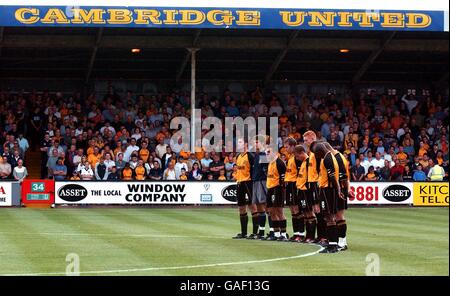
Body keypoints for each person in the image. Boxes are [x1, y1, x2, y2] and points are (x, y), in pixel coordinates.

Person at [311, 141, 341, 253]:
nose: (316, 156)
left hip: (328, 190)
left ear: (320, 151)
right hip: (328, 190)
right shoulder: (330, 157)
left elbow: (332, 176)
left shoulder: (327, 159)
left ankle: (332, 245)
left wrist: (337, 189)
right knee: (329, 217)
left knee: (329, 217)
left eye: (316, 154)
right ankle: (333, 243)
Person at [232, 139, 256, 239]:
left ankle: (255, 233)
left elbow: (254, 170)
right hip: (240, 183)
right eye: (238, 142)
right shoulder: (237, 156)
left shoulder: (250, 156)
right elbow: (238, 169)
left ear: (246, 144)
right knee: (241, 207)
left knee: (252, 206)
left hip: (248, 183)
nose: (238, 144)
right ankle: (244, 232)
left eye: (240, 142)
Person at [283, 137, 304, 242]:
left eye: (287, 147)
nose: (285, 149)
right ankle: (296, 233)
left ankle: (301, 233)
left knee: (297, 209)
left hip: (294, 184)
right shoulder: (290, 157)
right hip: (289, 185)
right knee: (292, 209)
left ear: (292, 146)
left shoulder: (297, 157)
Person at [295, 145, 317, 243]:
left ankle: (311, 236)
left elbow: (310, 178)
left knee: (309, 213)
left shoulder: (309, 162)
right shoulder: (303, 162)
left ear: (300, 153)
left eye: (297, 156)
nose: (296, 158)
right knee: (305, 213)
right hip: (301, 190)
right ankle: (308, 235)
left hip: (306, 191)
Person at [266, 147, 288, 241]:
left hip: (277, 188)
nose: (267, 154)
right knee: (271, 211)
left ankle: (283, 234)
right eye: (266, 153)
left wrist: (281, 190)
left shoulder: (280, 163)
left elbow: (283, 179)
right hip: (270, 188)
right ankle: (276, 234)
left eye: (268, 152)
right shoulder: (270, 163)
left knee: (279, 211)